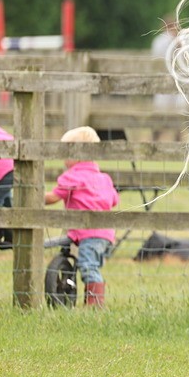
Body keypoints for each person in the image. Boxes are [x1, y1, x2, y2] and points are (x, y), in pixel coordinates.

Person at [44, 127, 119, 307]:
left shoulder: (73, 177)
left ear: (77, 154)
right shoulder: (104, 178)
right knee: (90, 264)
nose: (63, 156)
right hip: (105, 234)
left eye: (66, 152)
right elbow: (114, 200)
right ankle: (87, 297)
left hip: (89, 234)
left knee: (88, 266)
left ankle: (95, 304)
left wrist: (33, 197)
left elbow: (53, 197)